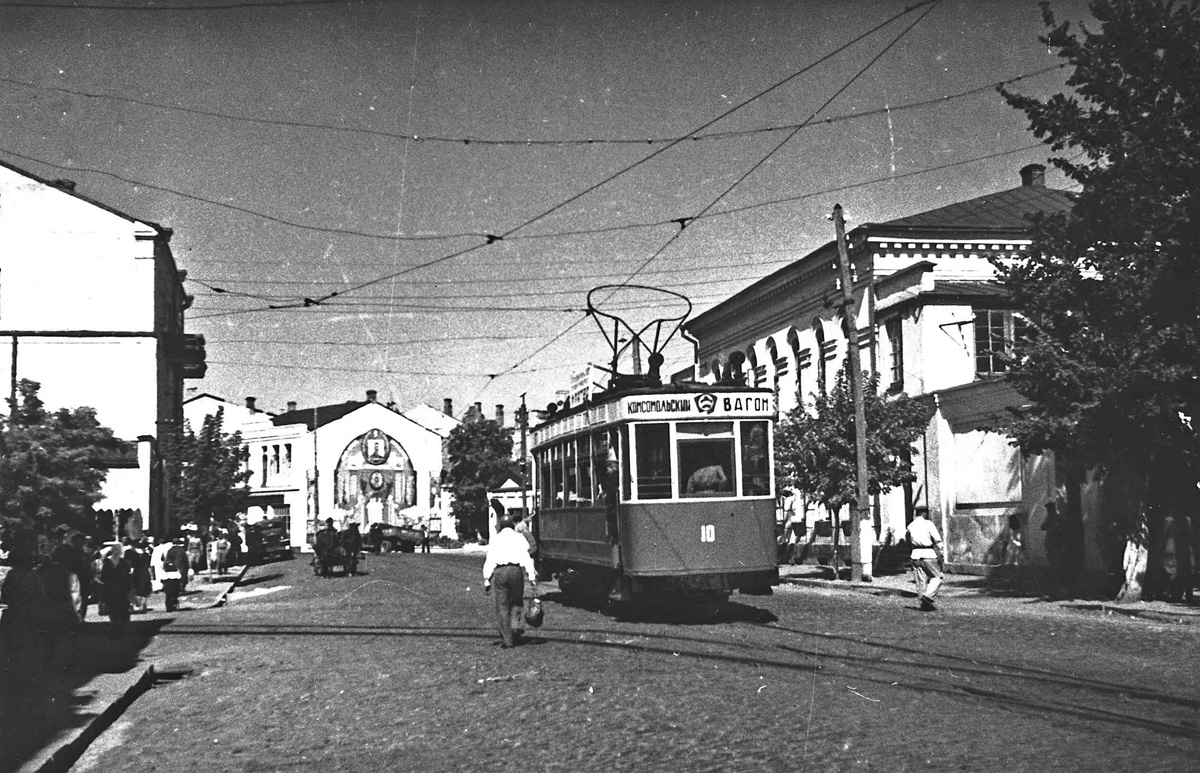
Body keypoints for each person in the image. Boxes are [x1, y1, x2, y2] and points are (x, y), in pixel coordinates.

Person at [482, 508, 538, 649]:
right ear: (512, 525)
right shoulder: (519, 538)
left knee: (502, 605)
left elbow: (490, 559)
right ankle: (515, 627)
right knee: (517, 601)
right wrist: (531, 576)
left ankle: (508, 639)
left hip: (500, 572)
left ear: (500, 525)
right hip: (516, 572)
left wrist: (487, 579)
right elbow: (526, 557)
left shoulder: (496, 539)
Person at [906, 506, 944, 611]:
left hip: (915, 555)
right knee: (937, 577)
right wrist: (941, 553)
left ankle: (923, 602)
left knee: (920, 579)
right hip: (929, 554)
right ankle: (928, 596)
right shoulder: (929, 524)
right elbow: (937, 539)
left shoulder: (910, 526)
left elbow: (908, 541)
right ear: (924, 514)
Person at [99, 544, 134, 637]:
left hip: (112, 588)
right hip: (119, 588)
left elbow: (103, 576)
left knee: (114, 608)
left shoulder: (107, 562)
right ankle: (119, 626)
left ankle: (116, 625)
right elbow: (127, 575)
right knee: (120, 607)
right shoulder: (123, 562)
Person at [162, 535, 190, 611]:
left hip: (168, 573)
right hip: (177, 572)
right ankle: (173, 601)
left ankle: (169, 604)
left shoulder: (169, 550)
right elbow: (185, 562)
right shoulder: (181, 551)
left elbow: (166, 561)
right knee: (176, 589)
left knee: (168, 590)